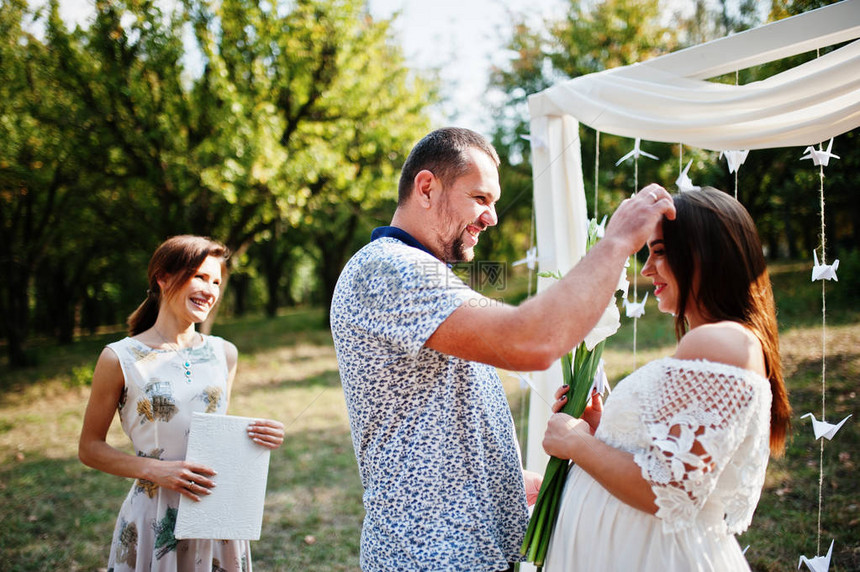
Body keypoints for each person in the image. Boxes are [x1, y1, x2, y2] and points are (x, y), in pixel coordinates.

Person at [329, 127, 675, 571]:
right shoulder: (390, 268)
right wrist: (617, 242)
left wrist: (506, 479)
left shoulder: (420, 271)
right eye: (480, 198)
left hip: (465, 546)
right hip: (432, 554)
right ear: (427, 187)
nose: (491, 217)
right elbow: (532, 341)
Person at [541, 187, 792, 571]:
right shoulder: (718, 341)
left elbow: (668, 492)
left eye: (658, 252)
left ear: (704, 253)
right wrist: (600, 431)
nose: (646, 269)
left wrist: (576, 443)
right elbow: (667, 463)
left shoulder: (719, 341)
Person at [78, 235, 285, 571]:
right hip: (153, 516)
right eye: (200, 276)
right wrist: (157, 470)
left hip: (215, 515)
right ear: (163, 277)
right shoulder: (119, 358)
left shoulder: (225, 353)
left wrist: (259, 438)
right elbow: (89, 448)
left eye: (216, 281)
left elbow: (208, 437)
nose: (210, 290)